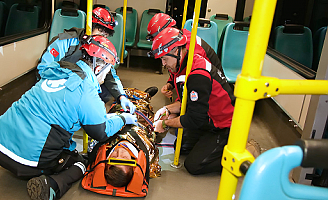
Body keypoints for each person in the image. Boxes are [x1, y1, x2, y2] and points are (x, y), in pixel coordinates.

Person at [0, 35, 138, 200]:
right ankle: (51, 186)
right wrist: (123, 118)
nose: (105, 78)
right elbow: (100, 131)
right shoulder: (86, 89)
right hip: (27, 157)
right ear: (97, 68)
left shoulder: (60, 69)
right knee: (80, 162)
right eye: (108, 70)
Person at [148, 27, 235, 175]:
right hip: (206, 116)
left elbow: (194, 119)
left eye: (164, 59)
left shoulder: (197, 74)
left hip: (223, 123)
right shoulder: (184, 65)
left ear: (176, 51)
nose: (163, 64)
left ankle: (240, 148)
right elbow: (187, 102)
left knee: (194, 165)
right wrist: (167, 109)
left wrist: (164, 123)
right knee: (181, 147)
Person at [37, 7, 135, 113]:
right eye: (100, 31)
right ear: (90, 27)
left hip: (83, 91)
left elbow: (110, 75)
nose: (102, 36)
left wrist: (121, 96)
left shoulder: (101, 48)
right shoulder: (65, 41)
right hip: (60, 90)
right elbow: (43, 69)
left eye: (105, 34)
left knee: (105, 91)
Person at [81, 88, 161, 197]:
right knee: (143, 104)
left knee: (121, 94)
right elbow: (153, 167)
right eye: (124, 158)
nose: (119, 152)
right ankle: (146, 95)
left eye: (114, 157)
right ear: (133, 165)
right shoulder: (145, 151)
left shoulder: (98, 145)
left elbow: (93, 127)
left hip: (117, 112)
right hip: (140, 119)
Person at [146, 13, 225, 100]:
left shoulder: (190, 49)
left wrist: (175, 106)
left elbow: (192, 90)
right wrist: (170, 83)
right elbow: (178, 68)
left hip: (214, 96)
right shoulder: (181, 39)